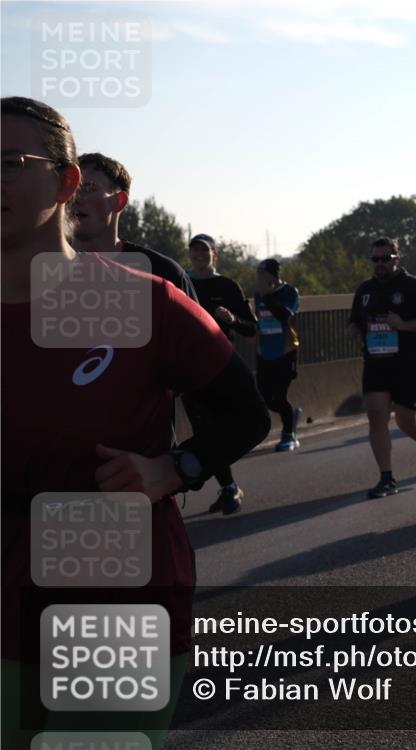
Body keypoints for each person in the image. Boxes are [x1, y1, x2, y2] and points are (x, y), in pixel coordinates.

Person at [0, 96, 269, 750]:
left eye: (10, 162)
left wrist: (174, 468)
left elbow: (246, 413)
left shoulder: (143, 300)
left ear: (66, 183)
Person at [348, 238, 416, 498]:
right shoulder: (365, 290)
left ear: (396, 258)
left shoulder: (412, 286)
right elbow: (355, 320)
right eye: (375, 259)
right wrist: (354, 330)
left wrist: (403, 325)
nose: (379, 264)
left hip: (408, 362)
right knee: (376, 415)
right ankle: (386, 478)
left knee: (405, 420)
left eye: (385, 258)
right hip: (376, 362)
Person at [187, 233, 258, 513]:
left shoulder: (227, 286)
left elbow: (251, 329)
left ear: (214, 254)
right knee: (202, 428)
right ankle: (228, 486)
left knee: (218, 427)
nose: (199, 255)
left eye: (204, 251)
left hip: (219, 365)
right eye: (194, 250)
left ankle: (226, 485)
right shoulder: (183, 282)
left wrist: (232, 320)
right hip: (187, 365)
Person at [71, 152, 197, 301]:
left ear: (120, 201)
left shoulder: (163, 274)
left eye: (88, 188)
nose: (75, 198)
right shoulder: (43, 269)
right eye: (70, 188)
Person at [254, 258, 302, 450]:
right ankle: (291, 414)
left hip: (285, 351)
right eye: (257, 273)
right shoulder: (258, 294)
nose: (258, 277)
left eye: (262, 273)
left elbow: (285, 315)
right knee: (265, 398)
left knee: (279, 396)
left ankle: (289, 434)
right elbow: (258, 318)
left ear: (273, 275)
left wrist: (267, 296)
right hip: (264, 352)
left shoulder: (289, 292)